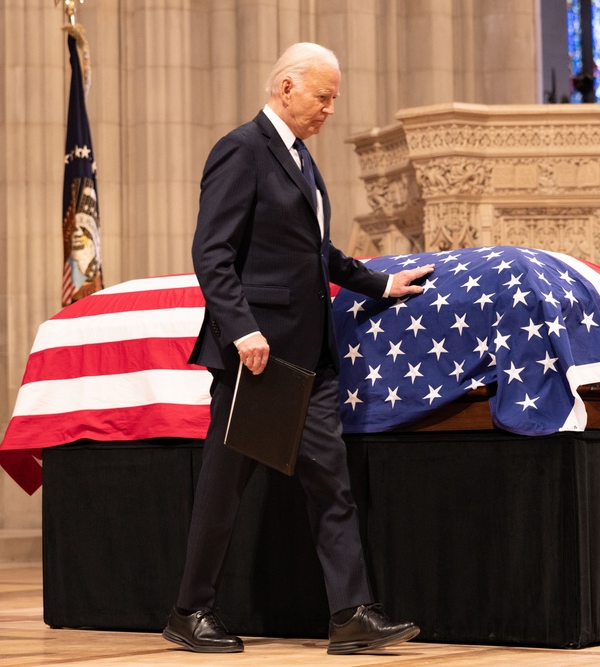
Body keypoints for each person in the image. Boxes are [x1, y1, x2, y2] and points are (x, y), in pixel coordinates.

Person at [162, 42, 433, 655]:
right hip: (259, 360)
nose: (330, 109)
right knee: (224, 490)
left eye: (334, 98)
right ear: (286, 87)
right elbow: (213, 253)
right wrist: (242, 328)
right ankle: (189, 610)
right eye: (323, 96)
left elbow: (318, 253)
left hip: (310, 360)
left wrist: (380, 283)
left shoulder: (302, 161)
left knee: (331, 486)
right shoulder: (241, 150)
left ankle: (350, 614)